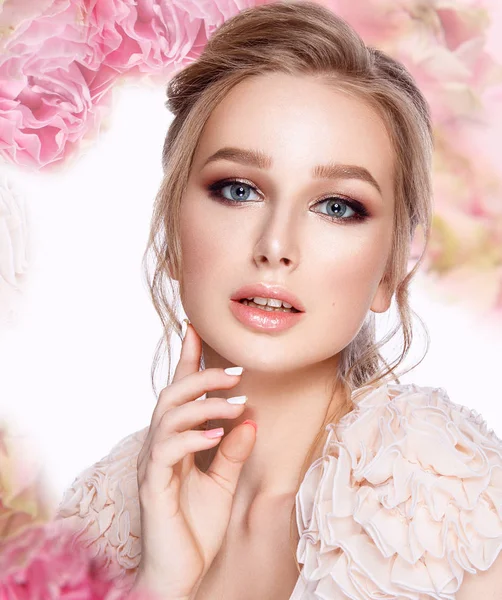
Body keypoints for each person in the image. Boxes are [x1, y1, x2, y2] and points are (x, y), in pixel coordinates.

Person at [54, 2, 502, 599]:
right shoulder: (95, 523)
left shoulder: (453, 511)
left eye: (338, 206)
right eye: (237, 190)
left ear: (389, 273)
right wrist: (161, 585)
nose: (275, 245)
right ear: (171, 232)